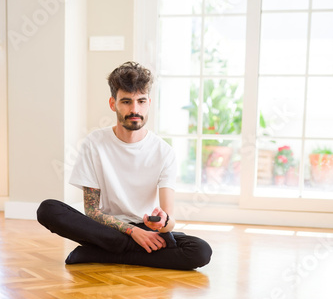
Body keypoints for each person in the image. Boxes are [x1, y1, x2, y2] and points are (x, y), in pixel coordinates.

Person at [37, 61, 212, 270]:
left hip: (146, 229)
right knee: (48, 209)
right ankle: (120, 250)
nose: (134, 109)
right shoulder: (94, 143)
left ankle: (100, 254)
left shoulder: (164, 152)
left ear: (149, 103)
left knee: (200, 251)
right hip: (106, 229)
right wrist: (132, 232)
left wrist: (162, 223)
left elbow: (169, 221)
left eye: (141, 101)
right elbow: (92, 211)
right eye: (126, 101)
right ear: (113, 104)